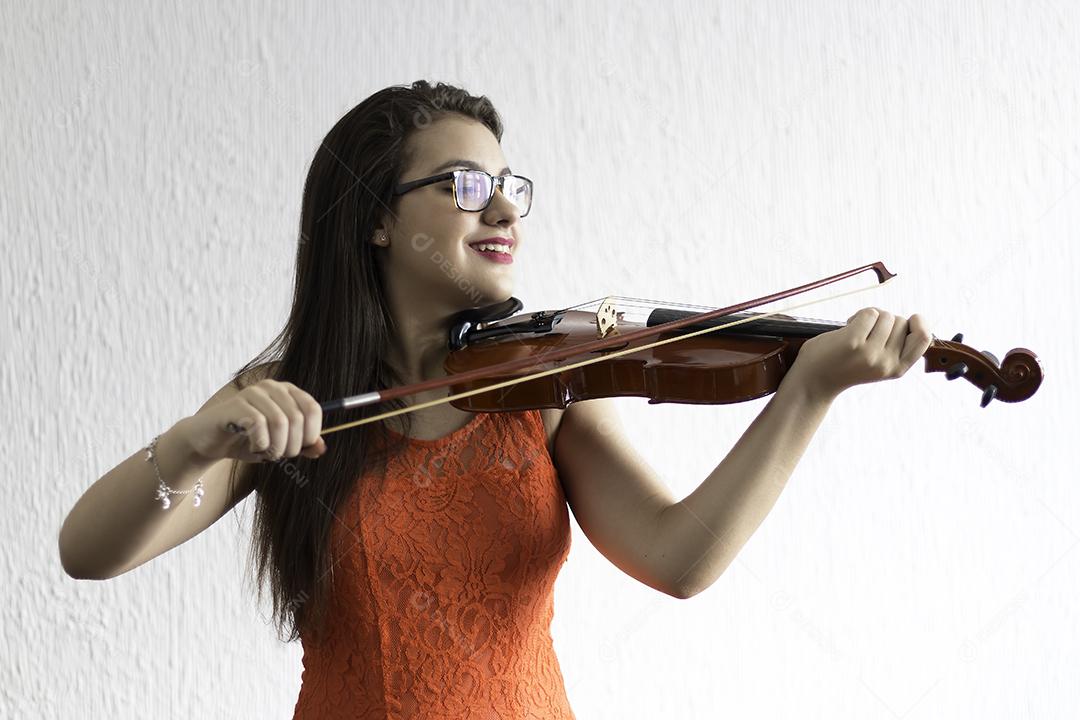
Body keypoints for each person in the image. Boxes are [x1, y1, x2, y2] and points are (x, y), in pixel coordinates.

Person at [58, 79, 933, 718]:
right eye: (467, 188)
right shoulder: (287, 404)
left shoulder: (547, 386)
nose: (504, 211)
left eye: (511, 190)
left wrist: (806, 393)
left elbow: (678, 559)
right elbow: (87, 553)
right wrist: (190, 445)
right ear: (377, 218)